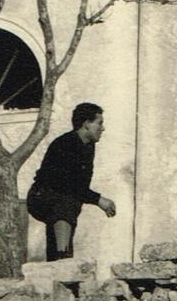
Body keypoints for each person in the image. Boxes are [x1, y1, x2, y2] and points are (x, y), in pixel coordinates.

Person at [27, 102, 116, 260]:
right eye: (99, 123)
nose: (103, 128)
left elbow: (80, 186)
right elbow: (66, 184)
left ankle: (59, 257)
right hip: (40, 197)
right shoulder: (65, 144)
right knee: (67, 201)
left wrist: (94, 199)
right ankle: (62, 256)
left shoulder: (88, 146)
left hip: (59, 197)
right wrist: (98, 199)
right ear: (87, 124)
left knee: (71, 204)